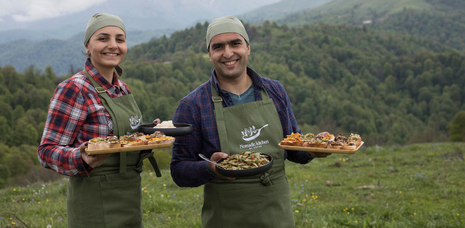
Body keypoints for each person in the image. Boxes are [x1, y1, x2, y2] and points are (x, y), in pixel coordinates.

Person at [170, 15, 329, 228]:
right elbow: (179, 171)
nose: (228, 53)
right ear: (210, 54)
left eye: (235, 44)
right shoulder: (193, 105)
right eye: (218, 47)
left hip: (277, 216)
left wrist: (313, 149)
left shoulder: (275, 91)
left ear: (248, 48)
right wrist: (210, 168)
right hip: (226, 219)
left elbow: (293, 149)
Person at [37, 13, 159, 228]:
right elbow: (47, 151)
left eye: (120, 39)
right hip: (93, 199)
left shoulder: (122, 88)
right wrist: (81, 158)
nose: (113, 45)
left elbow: (122, 139)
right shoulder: (74, 88)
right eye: (103, 38)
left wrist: (148, 135)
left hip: (129, 194)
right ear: (87, 46)